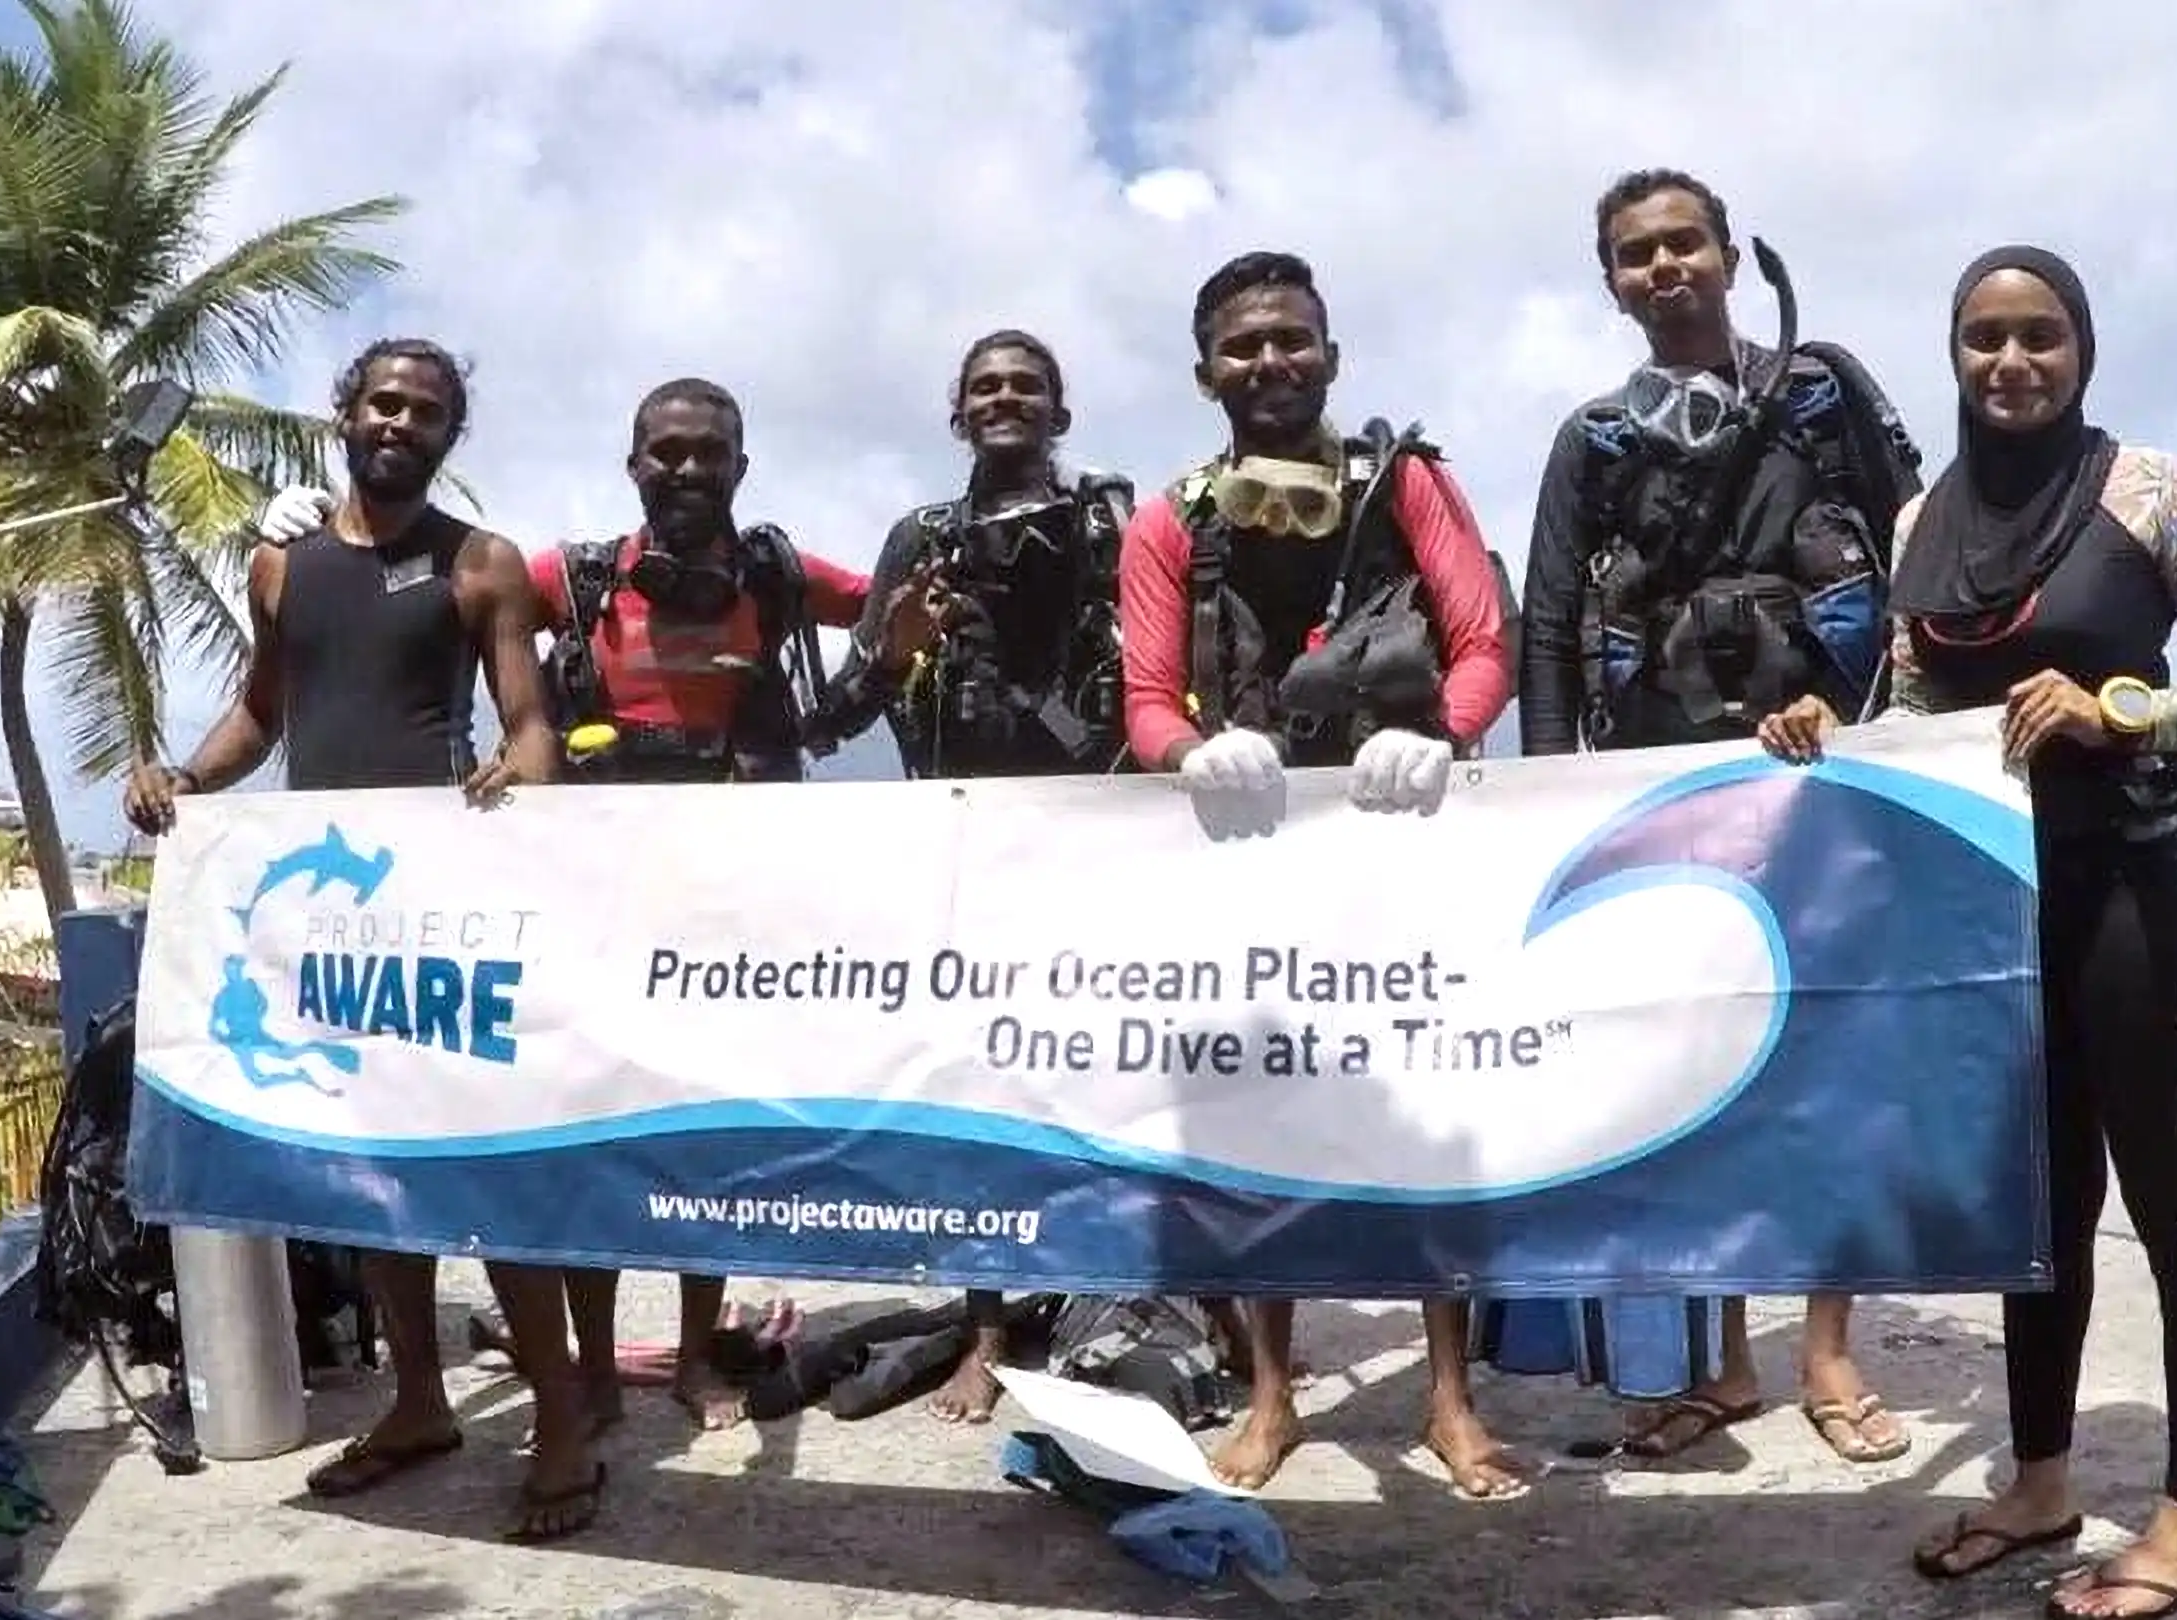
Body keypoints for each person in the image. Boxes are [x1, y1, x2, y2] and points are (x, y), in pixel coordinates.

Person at [253, 375, 938, 1434]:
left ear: (741, 469)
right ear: (633, 466)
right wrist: (294, 526)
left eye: (710, 452)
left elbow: (902, 601)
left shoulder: (779, 574)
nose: (687, 470)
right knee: (589, 1139)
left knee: (709, 1139)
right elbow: (429, 580)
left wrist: (911, 629)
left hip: (732, 909)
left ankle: (702, 1358)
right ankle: (588, 1365)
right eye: (665, 452)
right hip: (593, 905)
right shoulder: (566, 578)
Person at [1760, 245, 2177, 1619]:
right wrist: (1827, 730)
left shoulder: (2152, 490)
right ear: (1956, 354)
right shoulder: (1927, 515)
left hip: (2148, 885)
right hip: (2001, 906)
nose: (2012, 362)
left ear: (2081, 349)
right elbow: (1916, 714)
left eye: (2040, 336)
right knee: (2041, 1214)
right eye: (1984, 338)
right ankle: (2040, 1481)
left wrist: (2124, 708)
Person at [121, 337, 608, 1544]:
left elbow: (532, 724)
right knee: (376, 1182)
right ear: (344, 412)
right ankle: (421, 1405)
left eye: (427, 412)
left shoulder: (480, 565)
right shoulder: (282, 567)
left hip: (443, 914)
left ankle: (556, 1418)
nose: (400, 422)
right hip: (332, 921)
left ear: (449, 435)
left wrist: (521, 782)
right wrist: (185, 776)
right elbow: (260, 713)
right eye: (383, 402)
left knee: (481, 1180)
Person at [1498, 166, 1926, 1471]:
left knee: (1831, 1066)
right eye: (1638, 252)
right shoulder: (1597, 437)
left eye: (1686, 242)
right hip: (1665, 783)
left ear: (1733, 255)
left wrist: (1887, 731)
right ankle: (1722, 1364)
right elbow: (1553, 617)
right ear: (1612, 281)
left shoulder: (1821, 386)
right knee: (1704, 1070)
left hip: (1822, 774)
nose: (1665, 265)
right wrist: (1542, 796)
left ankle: (1829, 1351)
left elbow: (1917, 551)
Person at [1116, 249, 1521, 1497]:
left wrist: (1440, 734)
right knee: (1262, 1114)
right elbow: (1143, 697)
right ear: (1204, 374)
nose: (1270, 363)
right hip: (1256, 845)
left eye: (1292, 340)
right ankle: (1276, 1395)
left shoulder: (1409, 483)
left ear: (1332, 358)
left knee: (1429, 1110)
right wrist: (1193, 749)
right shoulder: (1168, 516)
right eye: (1242, 347)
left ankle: (1452, 1399)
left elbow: (1482, 640)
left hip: (1405, 830)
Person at [812, 328, 1170, 1426]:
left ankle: (1155, 1298)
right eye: (984, 387)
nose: (1005, 399)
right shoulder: (921, 541)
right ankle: (983, 1328)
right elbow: (829, 722)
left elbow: (1177, 658)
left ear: (1060, 414)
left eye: (1027, 386)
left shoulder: (1114, 522)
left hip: (1098, 844)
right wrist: (892, 642)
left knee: (1126, 1077)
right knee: (976, 1096)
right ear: (955, 415)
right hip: (965, 853)